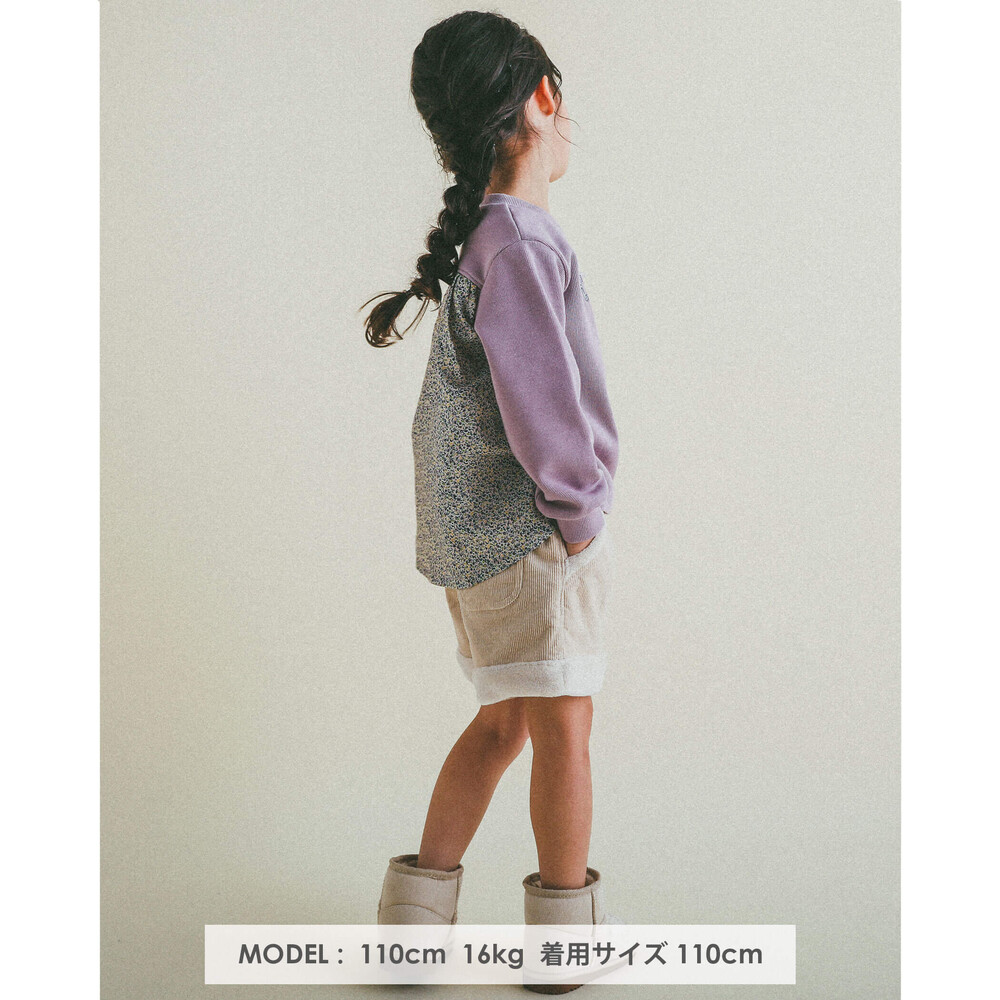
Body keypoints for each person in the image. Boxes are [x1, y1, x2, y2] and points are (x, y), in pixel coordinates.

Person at [359, 11, 621, 989]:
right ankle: (563, 942)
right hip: (532, 538)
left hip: (475, 545)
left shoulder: (485, 238)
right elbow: (541, 405)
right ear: (543, 97)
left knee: (504, 724)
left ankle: (412, 930)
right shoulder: (521, 242)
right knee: (564, 728)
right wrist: (580, 516)